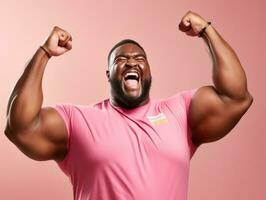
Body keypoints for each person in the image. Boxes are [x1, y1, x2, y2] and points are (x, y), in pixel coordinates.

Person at [4, 11, 253, 200]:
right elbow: (19, 127)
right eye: (121, 59)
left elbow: (235, 96)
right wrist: (44, 52)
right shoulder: (77, 121)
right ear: (109, 74)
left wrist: (206, 30)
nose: (131, 62)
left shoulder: (180, 112)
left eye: (139, 59)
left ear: (149, 71)